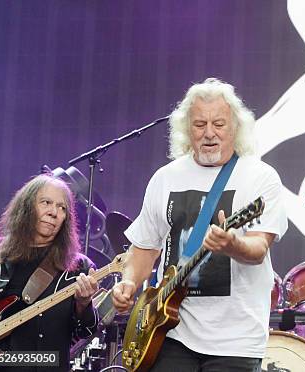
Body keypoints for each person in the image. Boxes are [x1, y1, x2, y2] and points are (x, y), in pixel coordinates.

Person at [112, 78, 288, 371]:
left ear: (235, 127)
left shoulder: (260, 177)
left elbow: (258, 248)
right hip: (168, 333)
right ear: (186, 129)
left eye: (218, 124)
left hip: (236, 340)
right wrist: (129, 282)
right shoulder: (165, 178)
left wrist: (233, 244)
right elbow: (144, 249)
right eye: (199, 124)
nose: (209, 133)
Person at [0, 174, 99, 372]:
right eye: (46, 202)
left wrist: (84, 305)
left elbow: (86, 332)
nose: (54, 212)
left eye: (62, 207)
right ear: (27, 206)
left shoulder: (79, 267)